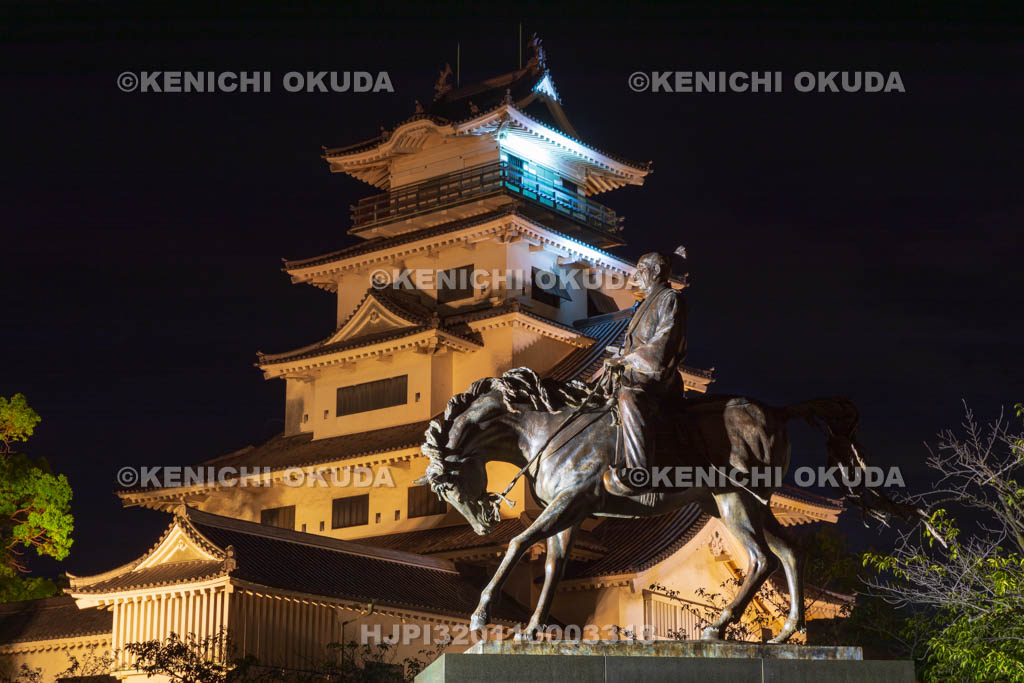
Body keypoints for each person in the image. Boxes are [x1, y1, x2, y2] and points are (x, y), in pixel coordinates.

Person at [601, 250, 688, 496]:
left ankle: (640, 470)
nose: (636, 276)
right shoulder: (645, 303)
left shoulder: (670, 299)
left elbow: (663, 343)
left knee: (629, 398)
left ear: (656, 271)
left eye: (641, 270)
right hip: (635, 372)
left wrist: (625, 359)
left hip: (656, 377)